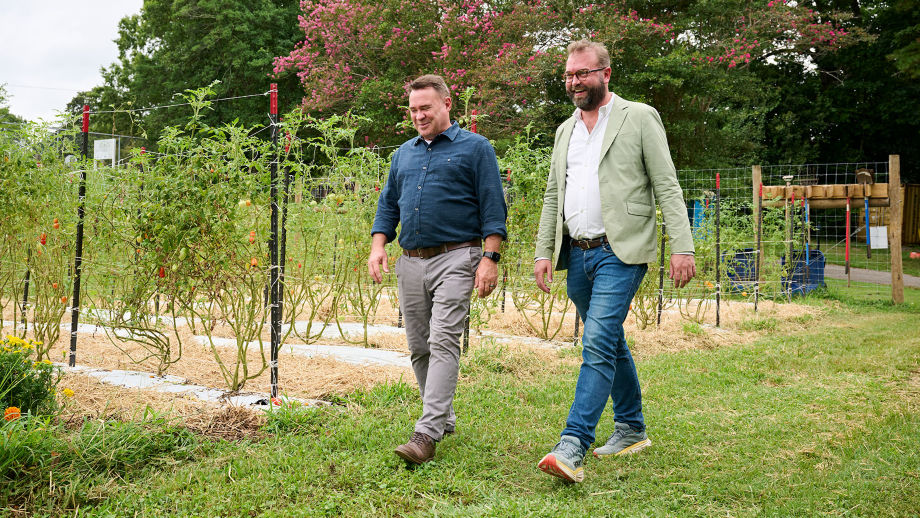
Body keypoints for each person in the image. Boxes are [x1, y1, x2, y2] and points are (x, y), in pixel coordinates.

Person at [534, 40, 696, 483]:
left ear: (606, 74)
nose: (574, 82)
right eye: (568, 75)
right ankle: (631, 427)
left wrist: (683, 246)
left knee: (597, 342)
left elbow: (667, 184)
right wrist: (543, 251)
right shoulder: (565, 130)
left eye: (582, 73)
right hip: (578, 254)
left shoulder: (638, 117)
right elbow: (554, 194)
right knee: (609, 341)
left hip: (619, 252)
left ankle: (572, 445)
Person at [368, 74, 507, 465]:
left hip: (457, 257)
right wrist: (378, 247)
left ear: (447, 103)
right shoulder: (403, 154)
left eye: (425, 107)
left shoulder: (476, 149)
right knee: (419, 346)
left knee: (444, 339)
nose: (418, 116)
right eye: (412, 110)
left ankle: (426, 433)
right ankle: (442, 418)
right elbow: (387, 207)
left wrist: (489, 259)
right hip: (411, 261)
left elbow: (493, 209)